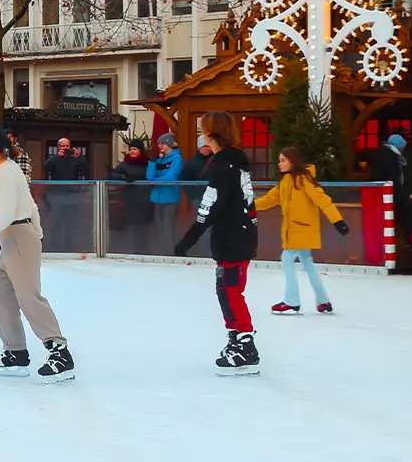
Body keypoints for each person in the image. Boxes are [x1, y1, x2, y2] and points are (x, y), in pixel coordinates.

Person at [0, 120, 76, 383]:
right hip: (13, 238)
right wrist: (36, 230)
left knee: (28, 297)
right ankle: (16, 352)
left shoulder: (6, 173)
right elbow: (30, 204)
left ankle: (60, 352)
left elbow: (7, 213)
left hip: (17, 236)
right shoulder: (6, 170)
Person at [174, 110, 260, 376]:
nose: (201, 135)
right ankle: (237, 339)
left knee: (230, 291)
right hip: (239, 235)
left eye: (202, 130)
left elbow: (210, 207)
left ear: (212, 135)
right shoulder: (233, 162)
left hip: (233, 238)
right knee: (227, 290)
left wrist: (187, 240)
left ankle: (245, 344)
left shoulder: (224, 166)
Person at [255, 146, 349, 315]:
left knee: (286, 258)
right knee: (307, 262)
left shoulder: (304, 180)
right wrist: (248, 207)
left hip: (302, 229)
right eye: (279, 160)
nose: (279, 164)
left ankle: (292, 301)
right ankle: (323, 301)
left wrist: (338, 221)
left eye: (283, 160)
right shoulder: (285, 181)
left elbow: (323, 200)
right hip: (294, 231)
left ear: (293, 161)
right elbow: (269, 199)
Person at [146, 133, 185, 251]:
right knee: (158, 227)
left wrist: (154, 182)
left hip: (170, 198)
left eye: (163, 143)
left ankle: (169, 250)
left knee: (168, 227)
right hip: (156, 198)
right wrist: (152, 163)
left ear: (170, 144)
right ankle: (160, 249)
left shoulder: (177, 159)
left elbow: (170, 177)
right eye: (159, 144)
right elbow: (149, 177)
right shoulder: (160, 159)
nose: (160, 146)